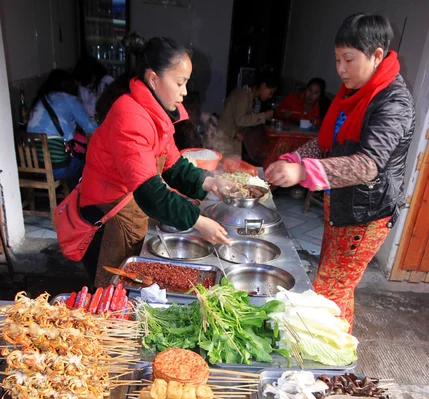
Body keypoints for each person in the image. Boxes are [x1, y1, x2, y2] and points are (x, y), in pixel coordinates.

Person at [265, 13, 415, 331]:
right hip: (342, 206)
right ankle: (338, 354)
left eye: (348, 59)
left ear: (376, 55)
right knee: (335, 284)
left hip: (368, 214)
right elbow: (326, 145)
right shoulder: (352, 93)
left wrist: (303, 172)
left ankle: (329, 363)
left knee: (328, 291)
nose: (341, 69)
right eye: (337, 59)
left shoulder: (394, 102)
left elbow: (367, 164)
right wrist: (292, 158)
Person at [77, 35, 232, 287]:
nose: (184, 92)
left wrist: (211, 182)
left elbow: (173, 165)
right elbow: (150, 192)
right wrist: (197, 221)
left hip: (129, 209)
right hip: (107, 217)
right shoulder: (130, 116)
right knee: (108, 293)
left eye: (186, 83)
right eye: (180, 83)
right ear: (153, 78)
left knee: (127, 284)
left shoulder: (157, 114)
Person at [27, 69, 97, 189]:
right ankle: (76, 199)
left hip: (33, 167)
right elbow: (91, 128)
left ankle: (69, 198)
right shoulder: (69, 100)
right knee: (87, 164)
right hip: (58, 168)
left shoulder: (40, 99)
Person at [217, 67, 278, 156]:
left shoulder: (254, 99)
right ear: (263, 85)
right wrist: (264, 116)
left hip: (233, 140)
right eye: (271, 92)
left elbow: (247, 123)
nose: (270, 96)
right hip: (224, 140)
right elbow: (240, 120)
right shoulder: (242, 94)